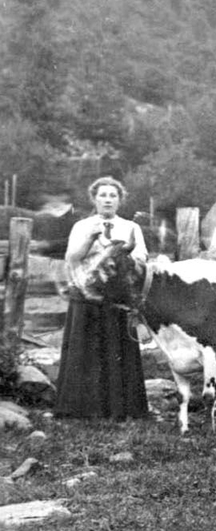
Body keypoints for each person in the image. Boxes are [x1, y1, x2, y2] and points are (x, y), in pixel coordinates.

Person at [55, 177, 149, 420]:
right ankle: (81, 409)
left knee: (117, 351)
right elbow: (71, 258)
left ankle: (121, 408)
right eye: (103, 195)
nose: (108, 199)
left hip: (117, 298)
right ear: (94, 199)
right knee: (85, 351)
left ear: (120, 200)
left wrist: (121, 256)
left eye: (113, 195)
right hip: (86, 295)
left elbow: (141, 260)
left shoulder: (131, 228)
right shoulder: (82, 225)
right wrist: (90, 238)